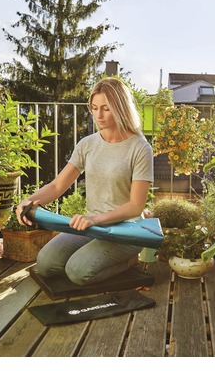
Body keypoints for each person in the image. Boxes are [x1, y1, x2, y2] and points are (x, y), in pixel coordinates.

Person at [16, 77, 154, 286]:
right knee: (45, 264)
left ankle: (130, 260)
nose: (98, 115)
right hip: (92, 227)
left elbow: (136, 206)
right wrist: (28, 201)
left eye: (106, 109)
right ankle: (94, 255)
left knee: (77, 272)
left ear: (121, 108)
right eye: (94, 108)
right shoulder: (87, 144)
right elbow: (57, 185)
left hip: (125, 231)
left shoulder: (140, 148)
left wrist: (96, 220)